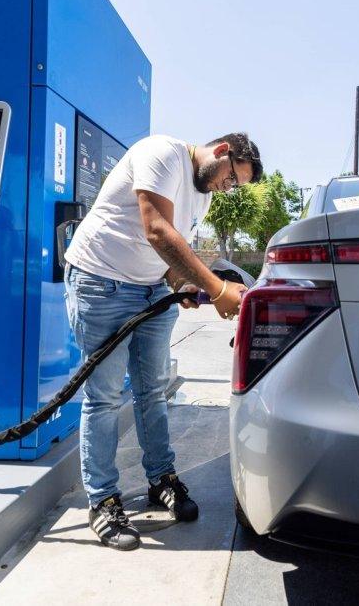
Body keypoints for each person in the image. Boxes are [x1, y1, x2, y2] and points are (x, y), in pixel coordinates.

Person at [63, 132, 263, 550]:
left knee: (152, 391)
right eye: (232, 178)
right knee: (104, 397)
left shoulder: (203, 195)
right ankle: (103, 500)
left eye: (235, 185)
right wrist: (218, 289)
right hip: (100, 282)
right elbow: (156, 229)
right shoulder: (162, 154)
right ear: (221, 151)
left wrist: (184, 283)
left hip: (150, 289)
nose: (228, 188)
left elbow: (169, 255)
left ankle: (161, 478)